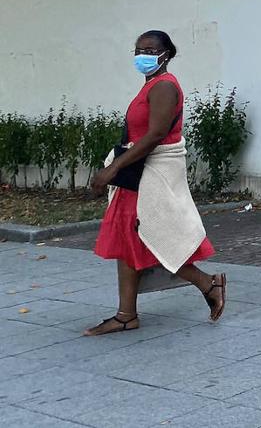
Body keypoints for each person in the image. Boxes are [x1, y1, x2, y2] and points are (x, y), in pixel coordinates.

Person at [85, 30, 226, 335]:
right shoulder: (150, 84)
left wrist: (112, 170)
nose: (142, 56)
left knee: (152, 236)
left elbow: (154, 135)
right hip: (136, 172)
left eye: (149, 50)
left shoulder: (164, 86)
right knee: (128, 240)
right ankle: (126, 315)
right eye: (137, 51)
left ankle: (208, 283)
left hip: (150, 171)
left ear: (166, 54)